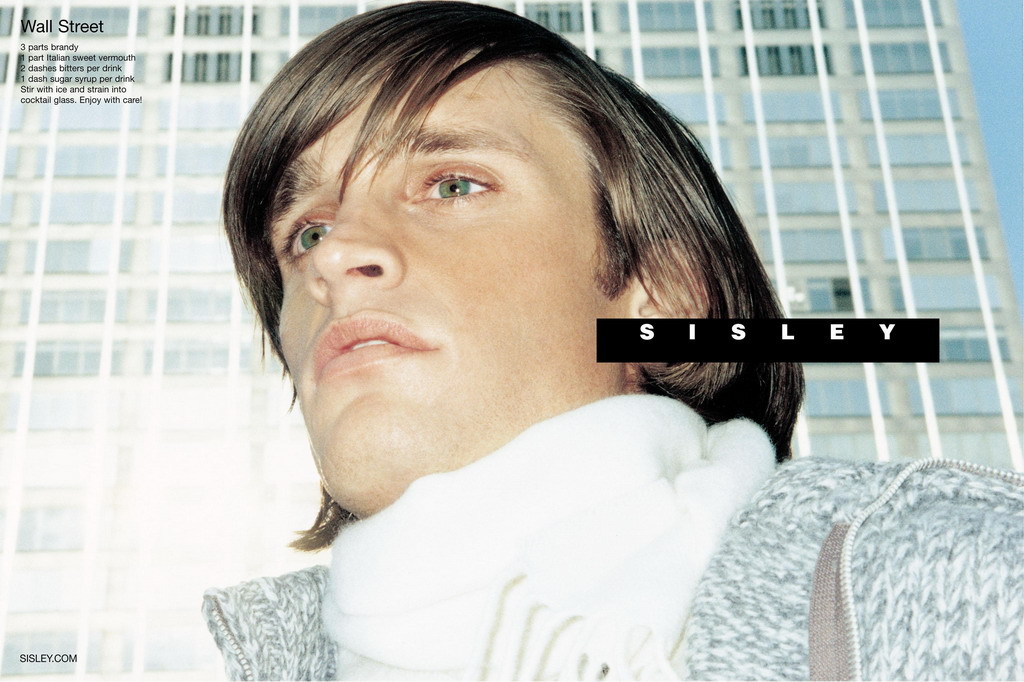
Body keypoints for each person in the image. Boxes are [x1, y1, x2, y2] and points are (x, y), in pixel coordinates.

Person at [202, 3, 1023, 680]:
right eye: (306, 232)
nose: (335, 255)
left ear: (660, 294)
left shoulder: (965, 582)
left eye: (452, 184)